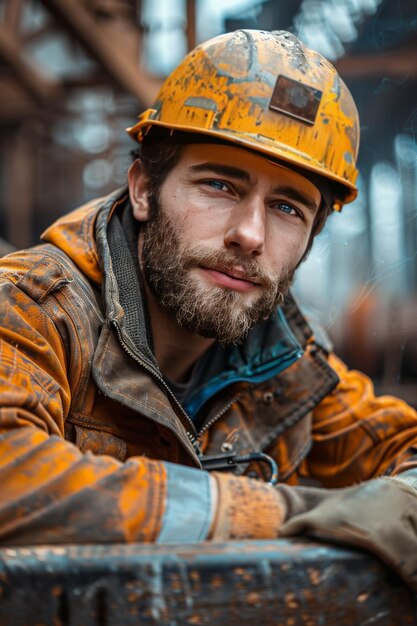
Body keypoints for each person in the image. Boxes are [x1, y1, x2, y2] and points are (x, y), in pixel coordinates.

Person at [0, 29, 416, 591]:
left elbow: (398, 444)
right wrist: (277, 515)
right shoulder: (31, 308)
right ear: (144, 188)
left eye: (288, 208)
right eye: (219, 184)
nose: (250, 234)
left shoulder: (288, 367)